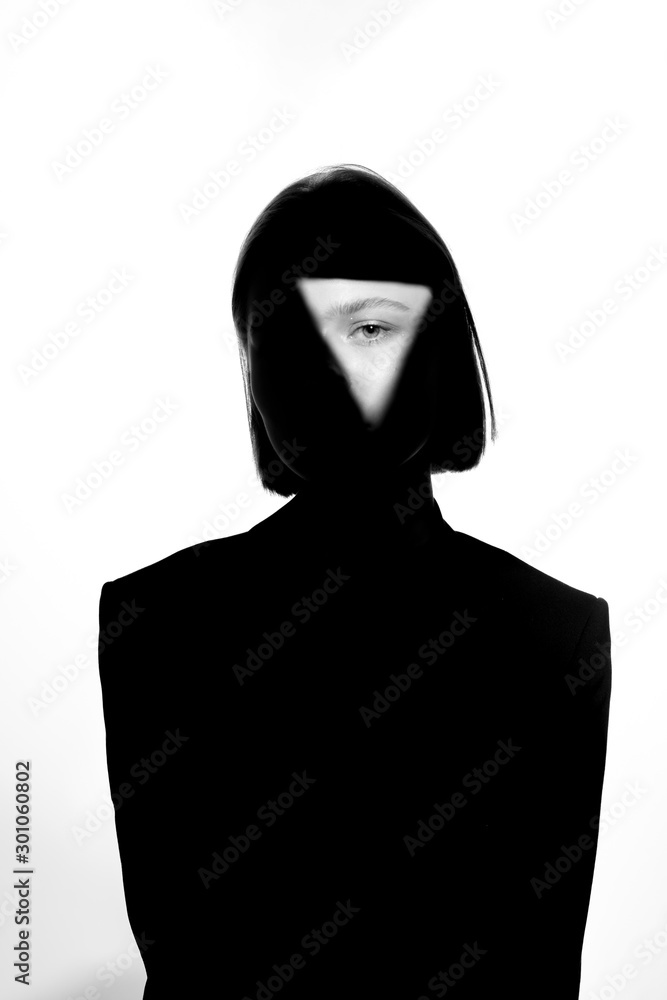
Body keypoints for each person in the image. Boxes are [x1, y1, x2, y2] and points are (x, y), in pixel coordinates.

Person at [98, 164, 612, 998]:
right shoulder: (151, 618)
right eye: (283, 334)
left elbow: (536, 973)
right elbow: (188, 961)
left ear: (440, 349)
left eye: (368, 327)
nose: (324, 370)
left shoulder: (557, 633)